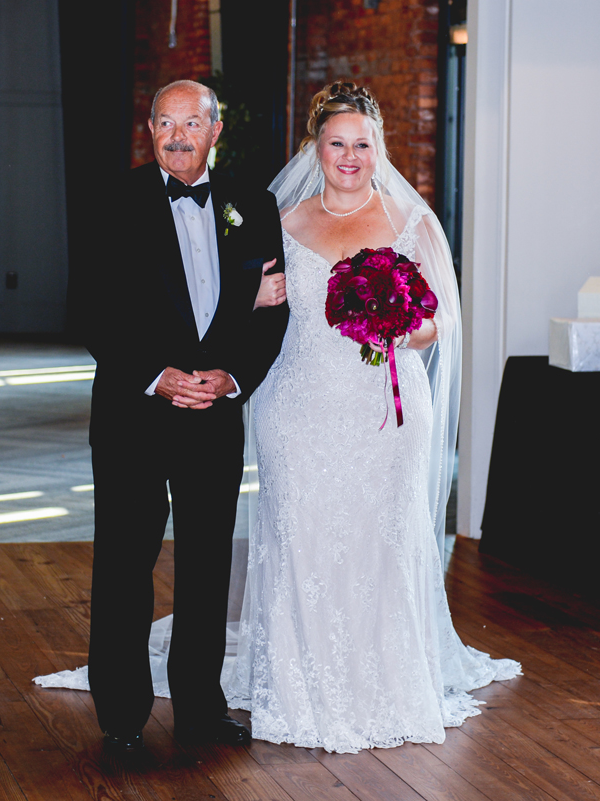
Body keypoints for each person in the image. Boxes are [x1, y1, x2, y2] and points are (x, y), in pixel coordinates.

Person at [225, 81, 521, 753]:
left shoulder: (409, 223)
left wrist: (392, 327)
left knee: (377, 543)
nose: (350, 156)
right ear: (315, 147)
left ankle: (381, 683)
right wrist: (252, 295)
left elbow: (440, 319)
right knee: (302, 539)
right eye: (337, 143)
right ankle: (298, 686)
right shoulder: (283, 220)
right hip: (296, 410)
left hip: (385, 412)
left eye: (363, 144)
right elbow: (247, 305)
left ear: (378, 148)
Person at [71, 79, 289, 755]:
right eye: (164, 123)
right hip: (133, 411)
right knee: (124, 563)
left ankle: (199, 705)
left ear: (215, 131)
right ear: (151, 130)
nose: (175, 135)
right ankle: (122, 714)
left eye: (190, 123)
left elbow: (271, 305)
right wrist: (156, 376)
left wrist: (232, 378)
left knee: (206, 565)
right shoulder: (114, 199)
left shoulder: (253, 206)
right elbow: (90, 305)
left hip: (214, 414)